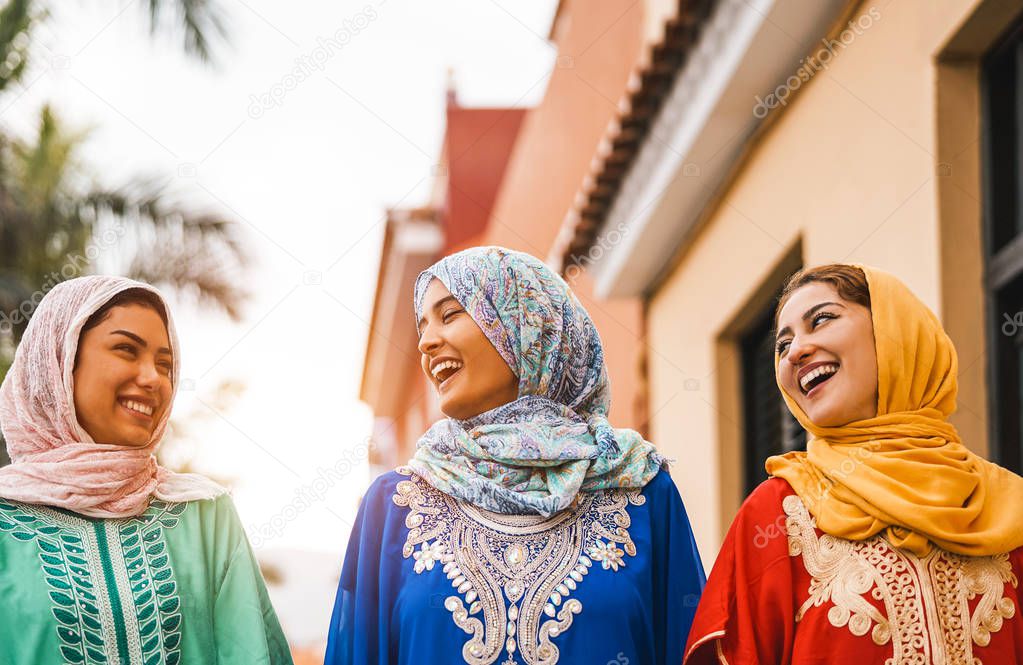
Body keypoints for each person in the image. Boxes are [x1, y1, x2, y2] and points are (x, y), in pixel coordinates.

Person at [325, 246, 705, 665]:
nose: (427, 342)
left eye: (450, 314)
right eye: (422, 326)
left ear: (525, 325)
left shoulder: (641, 489)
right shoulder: (393, 504)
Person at [684, 264, 1023, 664]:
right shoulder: (778, 514)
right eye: (782, 344)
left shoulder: (1006, 506)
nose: (795, 351)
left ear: (894, 332)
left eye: (822, 319)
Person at [0, 276, 292, 665]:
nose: (153, 378)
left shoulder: (204, 516)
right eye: (126, 349)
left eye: (164, 363)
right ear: (61, 360)